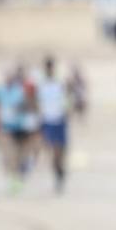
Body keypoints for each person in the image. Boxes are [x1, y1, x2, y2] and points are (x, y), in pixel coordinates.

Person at [0, 65, 38, 193]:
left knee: (21, 155)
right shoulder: (1, 91)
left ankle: (18, 177)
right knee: (11, 155)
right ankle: (14, 179)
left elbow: (30, 105)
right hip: (8, 128)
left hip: (21, 127)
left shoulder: (21, 90)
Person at [38, 57, 71, 193]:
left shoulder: (60, 84)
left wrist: (67, 113)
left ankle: (60, 173)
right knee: (51, 153)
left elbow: (67, 101)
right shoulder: (41, 84)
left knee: (60, 152)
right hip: (46, 121)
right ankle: (57, 174)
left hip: (59, 121)